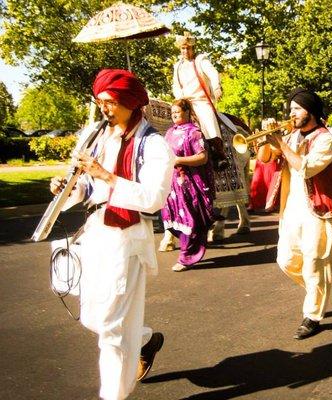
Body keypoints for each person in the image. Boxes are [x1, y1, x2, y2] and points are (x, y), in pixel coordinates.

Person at [50, 69, 175, 399]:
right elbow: (82, 187)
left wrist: (106, 175)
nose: (103, 108)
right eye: (99, 101)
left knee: (111, 329)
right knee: (93, 317)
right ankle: (145, 340)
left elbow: (153, 199)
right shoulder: (94, 134)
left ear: (129, 103)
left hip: (127, 238)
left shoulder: (154, 144)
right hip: (94, 235)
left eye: (109, 101)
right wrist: (67, 188)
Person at [258, 88, 332, 340]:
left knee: (314, 263)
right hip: (291, 208)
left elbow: (307, 168)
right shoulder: (291, 135)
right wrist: (266, 139)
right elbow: (264, 159)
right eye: (290, 109)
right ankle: (316, 293)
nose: (291, 113)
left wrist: (280, 142)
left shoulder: (326, 138)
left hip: (316, 210)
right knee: (285, 260)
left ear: (310, 111)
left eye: (296, 109)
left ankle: (313, 315)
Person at [159, 99, 216, 272]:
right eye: (172, 112)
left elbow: (202, 157)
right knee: (174, 219)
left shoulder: (194, 132)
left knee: (189, 220)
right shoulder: (169, 132)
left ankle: (186, 258)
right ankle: (186, 253)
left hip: (190, 185)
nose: (174, 114)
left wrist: (179, 160)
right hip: (172, 186)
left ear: (187, 112)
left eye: (178, 111)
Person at [172, 31, 230, 170]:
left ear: (193, 48)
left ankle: (218, 155)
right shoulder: (177, 65)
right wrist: (179, 98)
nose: (185, 51)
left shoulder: (200, 60)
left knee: (207, 120)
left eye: (188, 48)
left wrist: (216, 87)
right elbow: (175, 85)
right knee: (175, 121)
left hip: (200, 100)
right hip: (185, 102)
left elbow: (213, 73)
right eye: (183, 48)